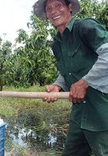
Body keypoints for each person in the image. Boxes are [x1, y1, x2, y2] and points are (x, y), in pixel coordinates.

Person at [33, 0, 108, 155]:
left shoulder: (86, 27)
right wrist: (58, 86)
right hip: (79, 113)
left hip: (101, 110)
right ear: (47, 15)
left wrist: (84, 82)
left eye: (58, 5)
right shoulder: (57, 44)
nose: (54, 11)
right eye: (49, 8)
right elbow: (66, 71)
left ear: (70, 7)